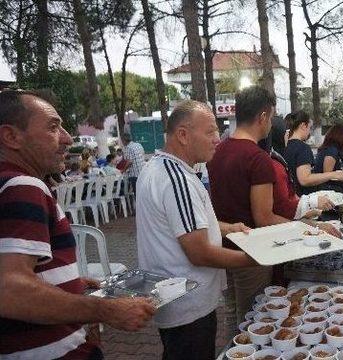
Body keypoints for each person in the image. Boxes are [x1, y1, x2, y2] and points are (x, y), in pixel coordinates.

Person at [0, 90, 155, 359]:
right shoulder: (23, 185)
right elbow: (9, 290)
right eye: (52, 127)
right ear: (12, 136)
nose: (68, 139)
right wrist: (105, 310)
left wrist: (67, 282)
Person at [136, 100, 256, 360]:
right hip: (188, 304)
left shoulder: (159, 168)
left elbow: (186, 225)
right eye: (210, 131)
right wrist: (254, 259)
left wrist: (227, 228)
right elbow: (199, 252)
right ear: (183, 135)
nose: (217, 139)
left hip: (178, 301)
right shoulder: (176, 179)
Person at [208, 87, 340, 323]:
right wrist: (309, 227)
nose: (272, 124)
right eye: (271, 116)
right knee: (255, 320)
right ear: (262, 117)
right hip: (251, 252)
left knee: (232, 316)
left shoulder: (218, 151)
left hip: (223, 249)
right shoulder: (258, 159)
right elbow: (264, 219)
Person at [283, 110, 343, 195]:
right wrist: (333, 174)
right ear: (303, 125)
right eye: (310, 127)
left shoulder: (287, 146)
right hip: (304, 197)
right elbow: (304, 180)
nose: (310, 131)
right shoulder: (303, 148)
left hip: (292, 195)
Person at [313, 124, 343, 193]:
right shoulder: (331, 151)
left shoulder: (331, 148)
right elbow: (328, 175)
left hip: (325, 186)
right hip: (326, 188)